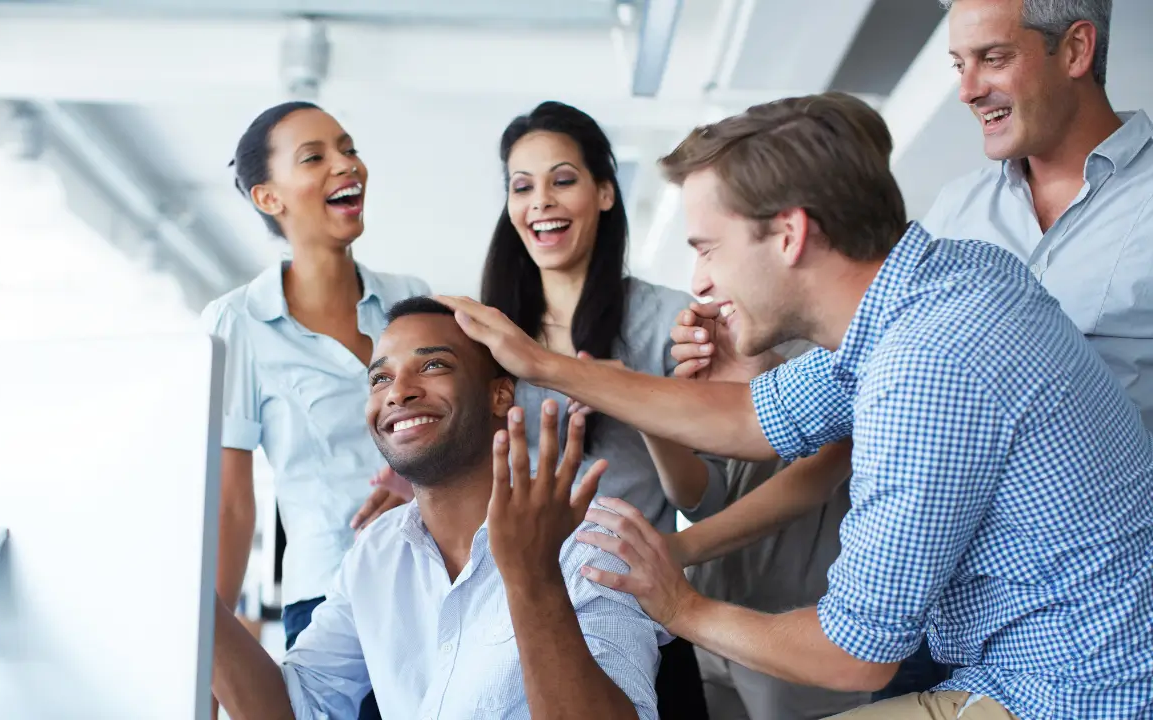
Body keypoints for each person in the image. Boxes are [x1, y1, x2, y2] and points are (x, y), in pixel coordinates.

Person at [436, 91, 1153, 720]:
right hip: (1028, 666)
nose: (700, 281)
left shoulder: (925, 366)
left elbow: (853, 654)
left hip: (1069, 693)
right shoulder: (928, 290)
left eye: (709, 249)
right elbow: (747, 419)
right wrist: (544, 366)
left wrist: (679, 604)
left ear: (789, 233)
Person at [481, 100, 863, 719]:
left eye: (563, 179)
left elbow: (718, 490)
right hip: (522, 592)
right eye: (522, 186)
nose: (541, 201)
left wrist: (634, 399)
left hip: (633, 596)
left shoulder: (675, 320)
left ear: (605, 192)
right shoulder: (489, 334)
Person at [209, 297, 667, 720]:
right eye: (380, 378)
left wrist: (532, 576)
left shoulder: (594, 537)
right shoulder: (375, 554)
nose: (398, 392)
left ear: (500, 396)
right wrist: (192, 596)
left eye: (432, 365)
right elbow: (293, 708)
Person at [886, 0, 1153, 698]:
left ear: (1075, 51)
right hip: (941, 611)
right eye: (959, 64)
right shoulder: (952, 213)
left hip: (1091, 637)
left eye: (993, 58)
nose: (968, 88)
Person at [202, 102, 428, 717]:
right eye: (315, 157)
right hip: (328, 600)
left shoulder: (414, 301)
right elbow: (229, 504)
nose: (345, 164)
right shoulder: (236, 324)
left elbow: (466, 439)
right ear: (268, 197)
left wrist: (414, 483)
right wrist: (212, 666)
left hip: (441, 581)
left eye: (348, 148)